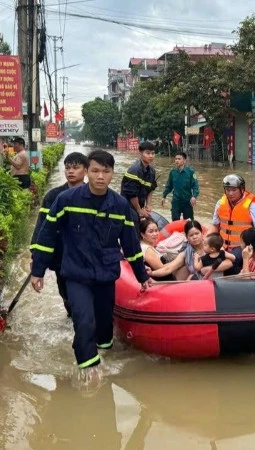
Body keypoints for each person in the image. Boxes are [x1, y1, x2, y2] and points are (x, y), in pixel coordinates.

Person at [30, 150, 151, 382]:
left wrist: (142, 276)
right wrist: (38, 270)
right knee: (84, 321)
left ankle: (103, 353)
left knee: (104, 328)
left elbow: (131, 245)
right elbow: (47, 236)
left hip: (106, 275)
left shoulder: (120, 206)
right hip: (76, 274)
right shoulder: (66, 200)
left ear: (112, 174)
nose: (100, 176)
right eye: (95, 171)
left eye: (106, 172)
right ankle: (88, 370)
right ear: (88, 172)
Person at [30, 152, 88, 317]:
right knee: (67, 295)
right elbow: (42, 229)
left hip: (87, 257)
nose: (71, 171)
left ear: (86, 170)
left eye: (76, 168)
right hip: (62, 257)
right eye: (68, 168)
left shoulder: (94, 195)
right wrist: (36, 259)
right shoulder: (53, 196)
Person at [209, 174, 255, 275]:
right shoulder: (220, 203)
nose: (230, 193)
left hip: (243, 246)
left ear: (242, 189)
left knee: (233, 261)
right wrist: (206, 241)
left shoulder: (253, 207)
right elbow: (215, 225)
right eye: (228, 190)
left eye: (234, 190)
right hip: (222, 244)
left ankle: (235, 284)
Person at [147, 220, 231, 281]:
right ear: (187, 237)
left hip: (215, 281)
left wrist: (208, 269)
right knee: (185, 271)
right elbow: (169, 268)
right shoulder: (185, 253)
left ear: (202, 233)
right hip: (197, 283)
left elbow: (229, 262)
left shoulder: (213, 245)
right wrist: (151, 273)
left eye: (197, 233)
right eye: (191, 235)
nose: (195, 237)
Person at [120, 141, 157, 221]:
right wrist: (139, 210)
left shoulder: (152, 171)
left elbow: (151, 189)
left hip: (139, 206)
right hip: (127, 207)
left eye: (153, 153)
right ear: (140, 153)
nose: (151, 156)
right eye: (148, 153)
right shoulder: (134, 170)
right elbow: (132, 194)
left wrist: (148, 205)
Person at [161, 151, 199, 220]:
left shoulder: (190, 172)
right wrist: (164, 196)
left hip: (187, 201)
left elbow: (195, 186)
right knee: (175, 220)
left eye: (179, 159)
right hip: (176, 201)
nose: (177, 161)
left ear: (184, 161)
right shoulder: (173, 172)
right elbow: (169, 186)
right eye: (176, 159)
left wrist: (194, 196)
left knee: (189, 222)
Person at [137, 217, 175, 282]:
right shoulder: (146, 249)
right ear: (142, 234)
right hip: (163, 282)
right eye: (151, 231)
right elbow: (162, 269)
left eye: (156, 230)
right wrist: (178, 262)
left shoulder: (146, 246)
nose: (155, 234)